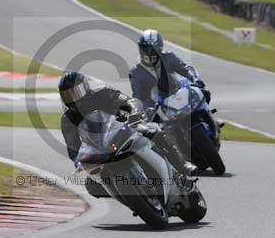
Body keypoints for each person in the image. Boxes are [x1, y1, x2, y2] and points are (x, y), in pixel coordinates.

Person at [58, 71, 197, 197]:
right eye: (67, 95)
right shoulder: (67, 119)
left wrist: (134, 112)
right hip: (99, 148)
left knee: (154, 132)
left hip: (124, 128)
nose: (73, 98)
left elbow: (127, 101)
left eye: (76, 92)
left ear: (85, 87)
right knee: (92, 186)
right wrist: (79, 160)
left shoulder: (102, 93)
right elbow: (72, 146)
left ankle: (181, 165)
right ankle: (127, 193)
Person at [129, 29, 210, 109]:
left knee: (203, 95)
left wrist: (196, 79)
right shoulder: (135, 72)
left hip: (178, 94)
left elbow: (186, 69)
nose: (149, 52)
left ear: (160, 48)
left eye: (153, 49)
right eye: (146, 48)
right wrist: (147, 110)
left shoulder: (169, 57)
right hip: (158, 109)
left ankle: (211, 119)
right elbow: (138, 98)